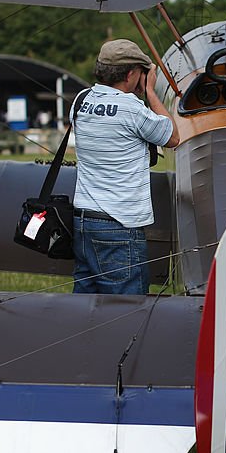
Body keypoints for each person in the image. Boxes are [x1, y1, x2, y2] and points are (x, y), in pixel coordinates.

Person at [71, 39, 180, 295]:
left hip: (83, 221)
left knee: (85, 309)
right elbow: (173, 137)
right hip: (119, 227)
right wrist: (151, 93)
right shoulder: (133, 109)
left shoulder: (81, 100)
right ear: (131, 74)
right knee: (126, 313)